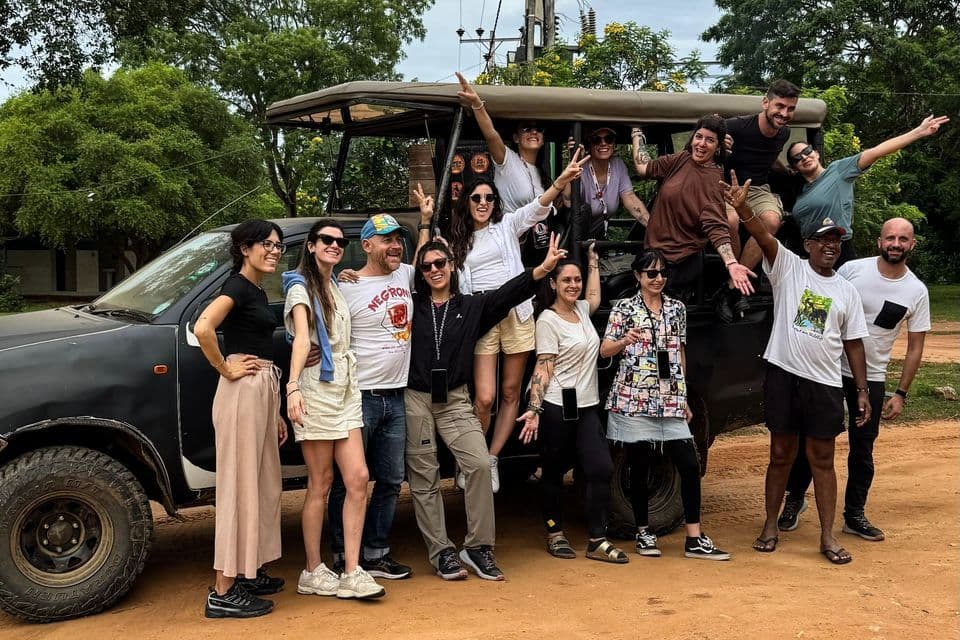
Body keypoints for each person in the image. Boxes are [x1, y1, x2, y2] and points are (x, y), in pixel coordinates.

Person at [724, 171, 871, 565]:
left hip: (824, 383)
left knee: (822, 458)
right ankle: (770, 524)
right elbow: (764, 237)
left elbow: (854, 343)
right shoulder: (789, 267)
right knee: (779, 454)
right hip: (784, 376)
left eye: (836, 241)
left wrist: (860, 391)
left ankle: (827, 536)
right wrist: (743, 210)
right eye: (822, 240)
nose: (830, 246)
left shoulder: (846, 291)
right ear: (807, 245)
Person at [405, 230, 567, 581]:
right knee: (425, 475)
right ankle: (441, 551)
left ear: (452, 266)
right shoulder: (411, 304)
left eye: (440, 263)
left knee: (479, 464)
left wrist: (541, 270)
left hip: (455, 400)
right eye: (427, 265)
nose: (434, 269)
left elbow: (510, 294)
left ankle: (478, 547)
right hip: (416, 398)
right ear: (420, 273)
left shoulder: (472, 307)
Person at [777, 218, 930, 541]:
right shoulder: (853, 271)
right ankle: (794, 501)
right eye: (890, 237)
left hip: (871, 376)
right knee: (811, 440)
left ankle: (854, 514)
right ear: (879, 241)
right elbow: (818, 302)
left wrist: (900, 392)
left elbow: (916, 346)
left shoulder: (916, 291)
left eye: (903, 239)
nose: (896, 244)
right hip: (828, 370)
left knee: (862, 448)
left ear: (912, 245)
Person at [446, 151, 591, 492]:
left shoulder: (506, 225)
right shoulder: (456, 240)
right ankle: (474, 460)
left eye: (489, 198)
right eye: (476, 197)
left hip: (516, 313)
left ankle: (492, 459)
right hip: (482, 315)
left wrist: (561, 180)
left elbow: (538, 206)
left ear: (495, 202)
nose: (483, 202)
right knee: (483, 397)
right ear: (466, 202)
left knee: (512, 392)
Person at [599, 249, 731, 561]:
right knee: (639, 466)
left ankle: (694, 537)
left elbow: (680, 354)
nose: (658, 279)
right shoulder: (623, 309)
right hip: (633, 396)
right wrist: (624, 341)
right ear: (637, 277)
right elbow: (605, 350)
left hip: (669, 396)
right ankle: (643, 532)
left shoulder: (677, 309)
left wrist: (682, 396)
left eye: (662, 273)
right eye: (651, 274)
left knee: (688, 463)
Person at [327, 207, 432, 579]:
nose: (394, 247)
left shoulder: (405, 274)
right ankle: (342, 553)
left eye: (397, 240)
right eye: (386, 240)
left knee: (389, 479)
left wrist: (423, 222)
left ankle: (375, 551)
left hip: (396, 395)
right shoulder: (347, 286)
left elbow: (422, 257)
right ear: (366, 244)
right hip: (360, 396)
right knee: (351, 480)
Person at [282, 220, 384, 600]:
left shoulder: (335, 284)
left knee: (358, 477)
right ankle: (312, 569)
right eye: (326, 239)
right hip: (315, 389)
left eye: (340, 241)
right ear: (310, 246)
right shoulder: (299, 286)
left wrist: (348, 275)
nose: (335, 245)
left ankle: (353, 570)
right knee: (321, 484)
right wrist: (292, 387)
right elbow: (302, 338)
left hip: (345, 387)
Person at [193, 219, 288, 618]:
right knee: (239, 486)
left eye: (278, 245)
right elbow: (203, 327)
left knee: (263, 483)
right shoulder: (235, 286)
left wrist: (277, 408)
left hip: (261, 389)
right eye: (266, 244)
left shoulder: (255, 289)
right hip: (242, 390)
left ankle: (249, 570)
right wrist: (224, 368)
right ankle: (223, 590)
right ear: (245, 248)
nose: (274, 250)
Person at [517, 243, 631, 563]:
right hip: (555, 407)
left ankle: (597, 540)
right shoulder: (547, 320)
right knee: (552, 472)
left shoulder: (581, 310)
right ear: (553, 283)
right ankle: (554, 532)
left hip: (586, 406)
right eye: (566, 280)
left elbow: (595, 298)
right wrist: (535, 409)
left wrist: (593, 263)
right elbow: (544, 367)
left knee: (600, 468)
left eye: (577, 280)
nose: (573, 285)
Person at [785, 114, 949, 267]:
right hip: (808, 253)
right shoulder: (798, 190)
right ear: (794, 167)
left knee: (842, 297)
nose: (804, 157)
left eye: (806, 151)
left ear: (816, 153)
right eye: (797, 158)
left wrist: (919, 132)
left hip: (836, 249)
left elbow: (877, 151)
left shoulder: (838, 170)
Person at [631, 114, 755, 301]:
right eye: (699, 136)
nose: (702, 144)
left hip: (678, 265)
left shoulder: (712, 180)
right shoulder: (682, 159)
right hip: (653, 258)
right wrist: (636, 133)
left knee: (666, 324)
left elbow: (716, 226)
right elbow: (644, 167)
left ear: (719, 146)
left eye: (710, 140)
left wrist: (731, 263)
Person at [717, 79, 800, 320]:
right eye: (779, 106)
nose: (784, 113)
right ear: (765, 103)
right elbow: (702, 138)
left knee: (772, 221)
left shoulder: (783, 133)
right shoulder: (737, 126)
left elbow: (770, 158)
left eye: (790, 109)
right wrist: (721, 143)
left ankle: (733, 287)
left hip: (757, 188)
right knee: (731, 219)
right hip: (726, 186)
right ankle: (735, 280)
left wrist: (788, 173)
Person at [561, 127, 650, 238]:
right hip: (573, 239)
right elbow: (568, 200)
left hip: (598, 234)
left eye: (609, 139)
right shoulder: (581, 166)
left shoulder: (618, 165)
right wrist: (574, 165)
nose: (603, 143)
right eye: (596, 140)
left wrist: (652, 227)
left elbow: (630, 199)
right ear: (589, 144)